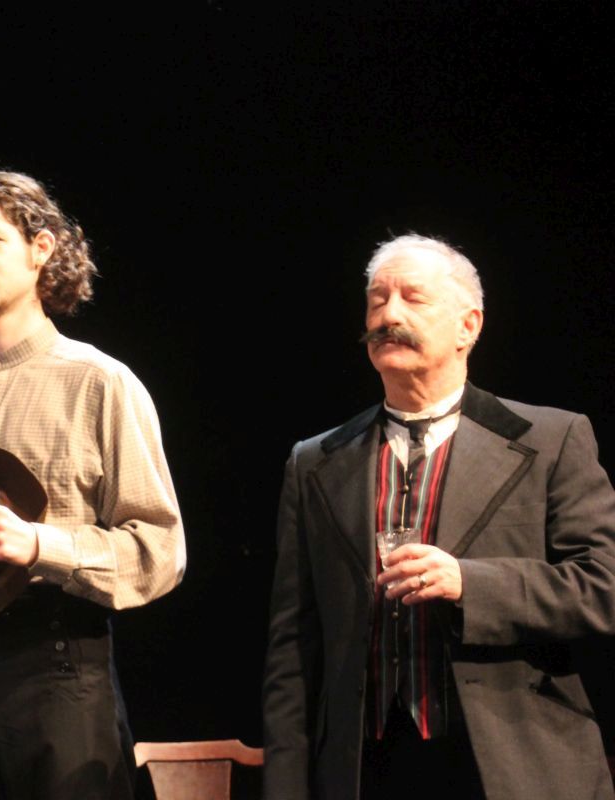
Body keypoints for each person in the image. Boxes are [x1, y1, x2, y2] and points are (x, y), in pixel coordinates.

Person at [262, 234, 615, 799]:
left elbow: (603, 587)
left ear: (468, 326)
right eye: (377, 301)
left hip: (509, 766)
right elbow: (293, 645)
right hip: (366, 768)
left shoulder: (551, 440)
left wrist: (470, 583)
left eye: (413, 298)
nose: (388, 316)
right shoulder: (315, 462)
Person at [0, 170, 185, 799]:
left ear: (40, 248)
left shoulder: (98, 382)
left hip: (57, 661)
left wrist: (39, 544)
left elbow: (160, 551)